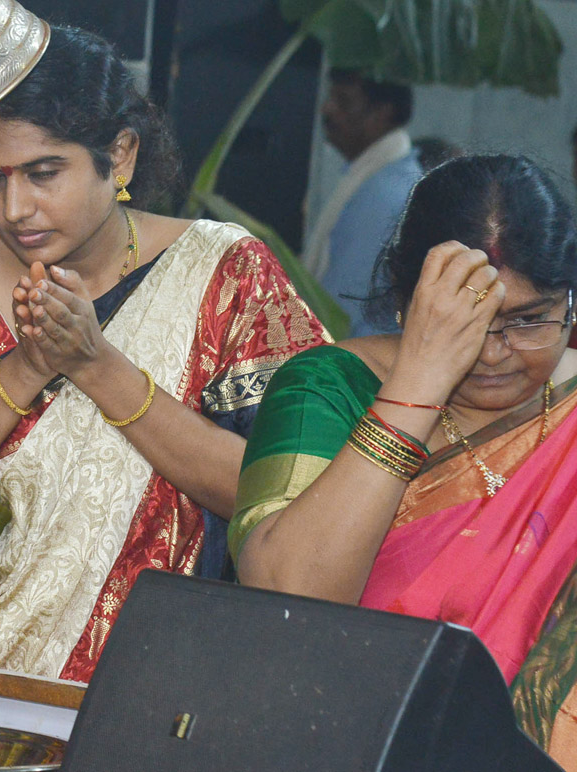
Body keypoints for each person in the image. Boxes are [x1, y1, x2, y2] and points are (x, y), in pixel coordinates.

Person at [0, 26, 328, 683]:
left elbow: (297, 502)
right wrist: (27, 367)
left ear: (120, 156)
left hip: (158, 685)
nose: (15, 208)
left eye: (44, 174)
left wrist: (98, 366)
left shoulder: (224, 272)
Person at [230, 155, 577, 767]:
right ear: (403, 296)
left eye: (528, 321)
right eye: (465, 321)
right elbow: (289, 598)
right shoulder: (329, 387)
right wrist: (420, 380)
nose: (494, 353)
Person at [303, 69, 423, 336]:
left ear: (383, 113)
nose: (327, 109)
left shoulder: (383, 194)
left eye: (343, 101)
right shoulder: (380, 176)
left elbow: (340, 311)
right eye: (330, 98)